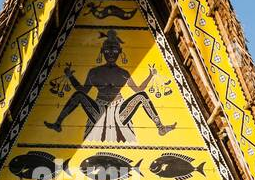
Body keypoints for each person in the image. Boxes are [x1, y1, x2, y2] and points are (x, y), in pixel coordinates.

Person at [43, 29, 175, 142]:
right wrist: (70, 77)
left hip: (120, 112)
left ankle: (160, 127)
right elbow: (82, 90)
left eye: (115, 51)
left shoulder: (123, 73)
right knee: (78, 95)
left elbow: (138, 89)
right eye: (107, 51)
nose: (111, 54)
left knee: (142, 96)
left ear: (120, 51)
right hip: (98, 110)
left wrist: (151, 75)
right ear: (102, 51)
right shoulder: (94, 72)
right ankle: (58, 123)